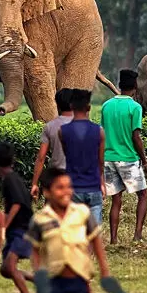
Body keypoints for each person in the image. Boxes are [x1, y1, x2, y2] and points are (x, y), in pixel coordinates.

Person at [26, 168, 111, 293]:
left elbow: (96, 240)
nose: (66, 192)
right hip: (52, 281)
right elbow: (34, 249)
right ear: (47, 192)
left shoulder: (82, 213)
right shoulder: (40, 219)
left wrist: (104, 270)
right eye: (60, 187)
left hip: (79, 279)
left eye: (68, 187)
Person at [101, 70, 147, 244]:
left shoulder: (106, 106)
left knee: (116, 199)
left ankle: (114, 239)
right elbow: (136, 136)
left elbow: (103, 133)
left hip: (109, 157)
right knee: (142, 195)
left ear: (120, 85)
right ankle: (137, 235)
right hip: (128, 158)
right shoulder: (135, 107)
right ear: (135, 86)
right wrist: (144, 160)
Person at [0, 142, 35, 293]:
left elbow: (17, 203)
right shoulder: (11, 177)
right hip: (16, 230)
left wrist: (4, 225)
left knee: (9, 266)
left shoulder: (10, 179)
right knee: (5, 270)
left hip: (22, 230)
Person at [59, 89, 105, 225]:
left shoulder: (63, 131)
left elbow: (68, 155)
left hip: (73, 187)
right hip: (93, 185)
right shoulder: (99, 131)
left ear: (71, 106)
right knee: (94, 234)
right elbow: (100, 162)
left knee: (74, 230)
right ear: (89, 107)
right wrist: (102, 183)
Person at [31, 89, 75, 199]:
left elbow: (41, 158)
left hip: (56, 176)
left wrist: (34, 184)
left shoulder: (50, 126)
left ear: (57, 104)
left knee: (52, 212)